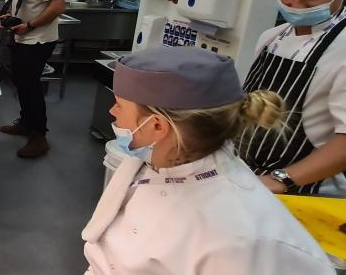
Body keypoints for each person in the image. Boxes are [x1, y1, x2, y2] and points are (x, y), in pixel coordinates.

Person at [83, 47, 333, 275]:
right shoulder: (154, 158)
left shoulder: (241, 237)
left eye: (119, 106)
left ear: (157, 126)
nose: (112, 112)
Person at [236, 0, 346, 196]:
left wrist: (281, 179)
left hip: (307, 190)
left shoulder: (342, 47)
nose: (298, 4)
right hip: (251, 179)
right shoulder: (271, 38)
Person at [0, 0, 66, 158]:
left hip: (37, 39)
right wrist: (9, 15)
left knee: (31, 86)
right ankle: (26, 122)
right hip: (22, 36)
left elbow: (57, 6)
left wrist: (30, 25)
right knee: (21, 82)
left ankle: (39, 136)